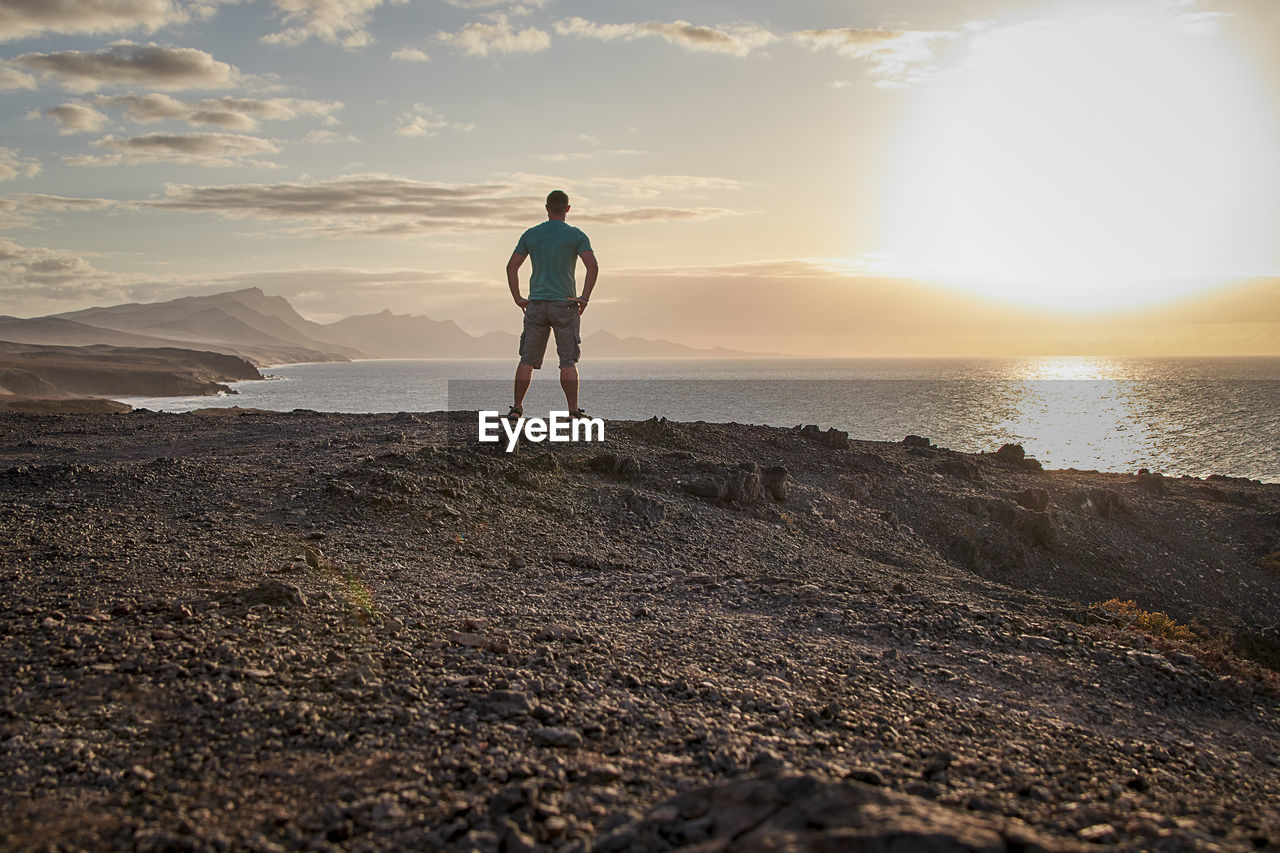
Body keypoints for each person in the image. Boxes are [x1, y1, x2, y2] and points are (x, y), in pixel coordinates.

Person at [506, 189, 598, 419]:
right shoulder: (576, 235)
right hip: (565, 305)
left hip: (536, 304)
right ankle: (573, 411)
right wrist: (584, 297)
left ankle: (517, 408)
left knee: (526, 359)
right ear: (568, 208)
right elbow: (593, 266)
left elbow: (511, 267)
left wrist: (518, 298)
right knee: (567, 361)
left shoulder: (531, 234)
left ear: (547, 208)